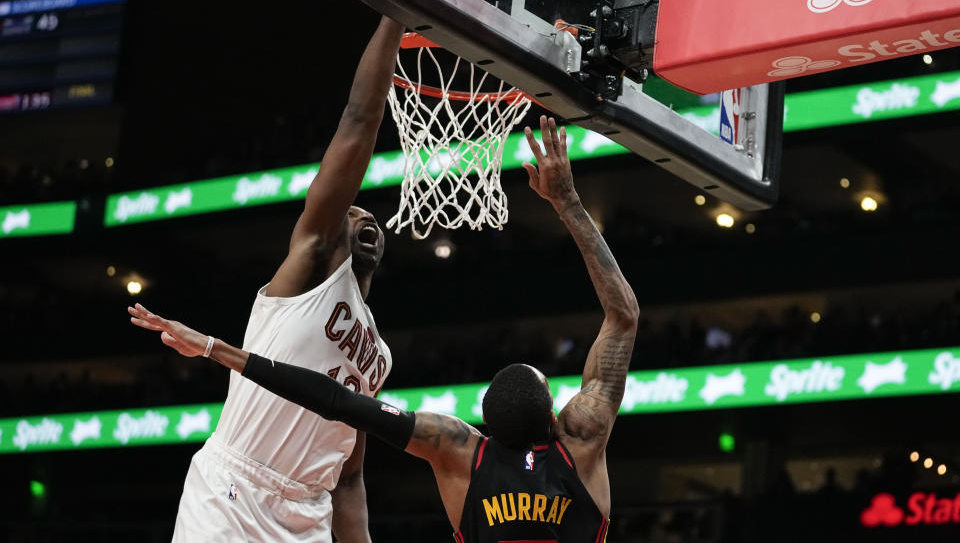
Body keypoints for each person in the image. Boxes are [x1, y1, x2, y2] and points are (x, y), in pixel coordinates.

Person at [131, 116, 640, 542]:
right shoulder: (581, 440)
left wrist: (220, 350)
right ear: (555, 414)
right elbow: (623, 317)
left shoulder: (459, 449)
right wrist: (569, 201)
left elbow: (335, 401)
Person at [162, 15, 405, 542]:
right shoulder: (313, 266)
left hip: (309, 511)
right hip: (233, 491)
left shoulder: (379, 356)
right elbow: (360, 120)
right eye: (354, 212)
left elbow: (352, 477)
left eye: (373, 218)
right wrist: (396, 16)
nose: (366, 218)